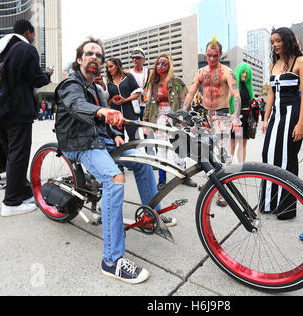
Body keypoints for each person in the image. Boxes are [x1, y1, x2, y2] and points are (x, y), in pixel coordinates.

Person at [55, 37, 176, 285]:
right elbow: (77, 106)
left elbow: (105, 122)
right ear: (80, 60)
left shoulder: (99, 89)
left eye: (99, 55)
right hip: (79, 143)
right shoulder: (71, 84)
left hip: (101, 141)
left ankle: (152, 214)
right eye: (89, 53)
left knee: (142, 161)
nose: (95, 58)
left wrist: (116, 134)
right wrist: (102, 111)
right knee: (115, 179)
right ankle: (111, 261)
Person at [0, 19, 53, 217]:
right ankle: (11, 202)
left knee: (12, 154)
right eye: (33, 35)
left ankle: (23, 192)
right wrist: (48, 74)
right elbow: (37, 79)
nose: (33, 39)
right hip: (18, 111)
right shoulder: (26, 50)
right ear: (28, 32)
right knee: (19, 155)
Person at [183, 38, 241, 207]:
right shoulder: (200, 72)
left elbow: (236, 95)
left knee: (222, 154)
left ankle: (222, 192)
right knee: (205, 154)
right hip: (204, 117)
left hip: (222, 116)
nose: (212, 59)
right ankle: (213, 185)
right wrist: (182, 113)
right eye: (209, 55)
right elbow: (191, 93)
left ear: (221, 54)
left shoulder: (227, 72)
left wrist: (235, 117)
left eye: (215, 56)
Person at [261, 27, 303, 221]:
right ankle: (268, 202)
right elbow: (271, 93)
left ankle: (286, 208)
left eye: (278, 40)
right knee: (268, 155)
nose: (275, 45)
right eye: (273, 42)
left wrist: (301, 123)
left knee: (287, 158)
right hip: (276, 115)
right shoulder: (274, 64)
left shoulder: (301, 62)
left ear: (287, 40)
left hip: (292, 113)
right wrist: (265, 119)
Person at [143, 53, 197, 190]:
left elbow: (186, 101)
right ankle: (162, 180)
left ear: (169, 66)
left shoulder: (177, 82)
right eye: (159, 63)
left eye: (164, 63)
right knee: (161, 149)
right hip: (159, 119)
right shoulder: (153, 84)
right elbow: (149, 103)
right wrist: (146, 122)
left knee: (179, 149)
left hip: (175, 119)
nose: (160, 66)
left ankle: (183, 177)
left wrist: (186, 119)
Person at [105, 58, 142, 141]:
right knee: (118, 140)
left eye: (111, 66)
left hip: (130, 113)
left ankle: (134, 154)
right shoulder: (108, 83)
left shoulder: (128, 77)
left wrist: (125, 100)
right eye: (107, 67)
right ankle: (122, 154)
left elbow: (138, 93)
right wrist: (112, 101)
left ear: (117, 66)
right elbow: (107, 101)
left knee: (135, 139)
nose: (109, 69)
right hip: (116, 115)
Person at [230, 63, 259, 163]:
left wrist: (253, 103)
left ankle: (241, 167)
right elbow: (229, 102)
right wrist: (233, 118)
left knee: (243, 143)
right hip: (238, 118)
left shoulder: (247, 87)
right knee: (235, 143)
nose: (245, 75)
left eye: (247, 73)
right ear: (239, 72)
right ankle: (229, 166)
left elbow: (250, 100)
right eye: (243, 72)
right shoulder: (234, 86)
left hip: (247, 119)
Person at [130, 48, 152, 121]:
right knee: (134, 129)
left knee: (147, 129)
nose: (135, 60)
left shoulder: (149, 72)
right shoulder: (128, 73)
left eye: (138, 58)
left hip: (146, 105)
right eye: (133, 58)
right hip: (132, 104)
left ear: (143, 60)